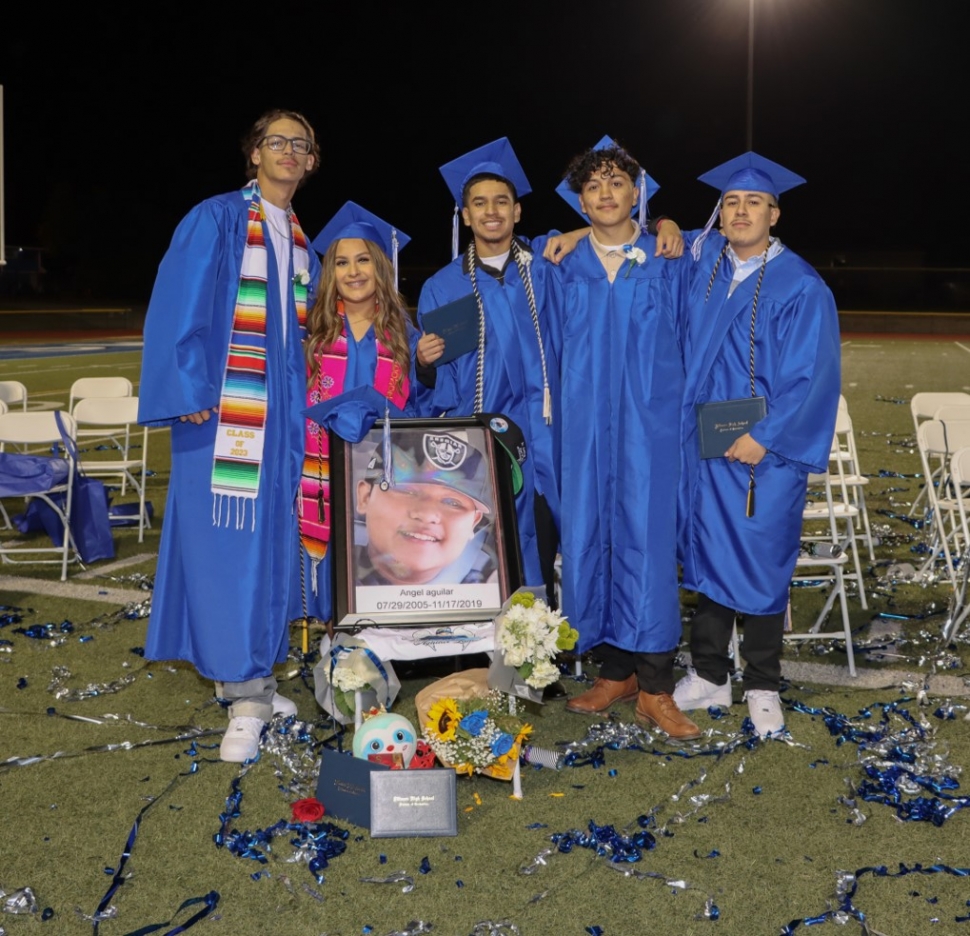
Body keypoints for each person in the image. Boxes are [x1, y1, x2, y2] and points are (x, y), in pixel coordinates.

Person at [138, 109, 320, 762]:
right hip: (223, 420)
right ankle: (245, 697)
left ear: (311, 161)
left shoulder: (303, 242)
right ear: (254, 154)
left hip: (281, 426)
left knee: (271, 547)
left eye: (301, 145)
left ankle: (253, 678)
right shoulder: (215, 219)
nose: (290, 152)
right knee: (227, 553)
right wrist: (186, 388)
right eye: (278, 142)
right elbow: (174, 302)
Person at [672, 152, 841, 737]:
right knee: (709, 557)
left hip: (763, 453)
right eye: (731, 203)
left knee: (763, 561)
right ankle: (711, 674)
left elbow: (812, 376)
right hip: (705, 445)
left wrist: (764, 438)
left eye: (753, 203)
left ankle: (764, 683)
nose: (741, 212)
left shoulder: (800, 285)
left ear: (775, 212)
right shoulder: (705, 267)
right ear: (719, 215)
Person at [550, 137, 700, 741]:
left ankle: (656, 686)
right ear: (581, 200)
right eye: (594, 185)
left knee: (648, 545)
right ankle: (615, 673)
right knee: (592, 539)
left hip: (651, 430)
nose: (606, 193)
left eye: (618, 182)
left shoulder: (669, 257)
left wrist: (667, 222)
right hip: (586, 430)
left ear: (637, 192)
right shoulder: (560, 261)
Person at [414, 138, 563, 602]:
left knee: (556, 534)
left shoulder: (548, 268)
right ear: (465, 216)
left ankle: (550, 639)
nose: (491, 211)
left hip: (552, 433)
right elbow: (439, 387)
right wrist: (424, 363)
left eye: (501, 201)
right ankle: (497, 648)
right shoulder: (442, 286)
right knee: (493, 543)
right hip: (486, 437)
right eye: (479, 203)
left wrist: (664, 222)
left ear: (517, 212)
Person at [299, 203, 418, 620]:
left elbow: (424, 404)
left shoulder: (405, 334)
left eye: (363, 260)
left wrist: (431, 366)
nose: (353, 272)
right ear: (330, 273)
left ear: (381, 267)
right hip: (323, 472)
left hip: (385, 473)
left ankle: (386, 631)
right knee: (334, 555)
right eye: (342, 263)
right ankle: (335, 633)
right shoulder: (312, 332)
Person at [352, 429, 498, 586]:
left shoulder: (495, 588)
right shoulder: (329, 575)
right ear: (365, 497)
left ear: (474, 522)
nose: (427, 514)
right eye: (407, 491)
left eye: (452, 503)